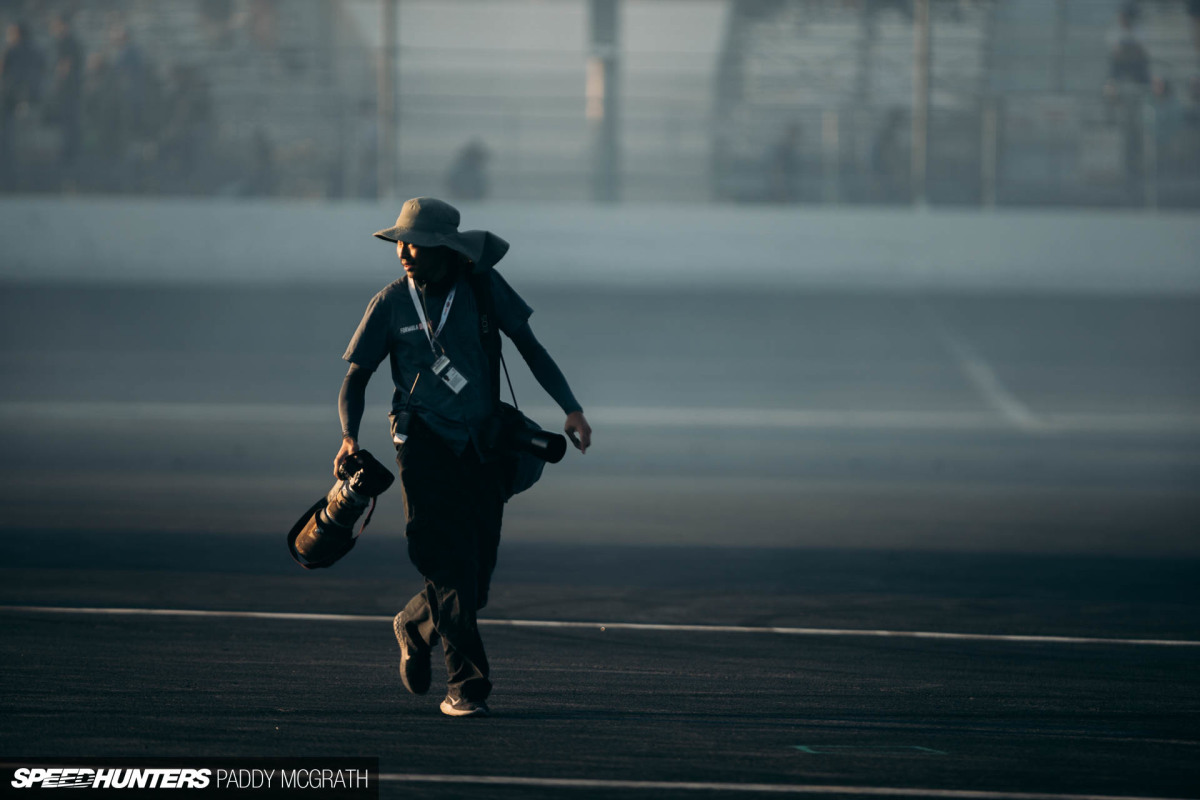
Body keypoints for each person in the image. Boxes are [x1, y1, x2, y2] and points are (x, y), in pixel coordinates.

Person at [335, 197, 592, 717]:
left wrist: (571, 408)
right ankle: (466, 687)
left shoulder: (482, 289)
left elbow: (531, 348)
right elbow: (355, 378)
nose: (404, 251)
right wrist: (348, 437)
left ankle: (414, 622)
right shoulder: (389, 303)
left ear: (447, 249)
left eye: (417, 244)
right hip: (421, 445)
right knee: (448, 564)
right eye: (401, 242)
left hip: (482, 446)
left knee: (474, 582)